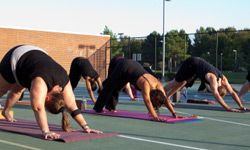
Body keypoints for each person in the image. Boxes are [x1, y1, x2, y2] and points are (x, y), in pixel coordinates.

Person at [0, 45, 102, 140]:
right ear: (47, 98)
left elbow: (72, 107)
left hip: (34, 60)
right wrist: (46, 131)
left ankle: (6, 111)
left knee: (18, 89)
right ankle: (6, 110)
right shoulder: (40, 83)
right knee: (2, 89)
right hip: (17, 56)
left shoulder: (64, 83)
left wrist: (86, 127)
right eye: (46, 105)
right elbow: (38, 108)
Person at [93, 58, 177, 121]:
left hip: (132, 70)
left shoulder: (159, 86)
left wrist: (173, 113)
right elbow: (147, 100)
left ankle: (110, 107)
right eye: (156, 103)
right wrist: (155, 116)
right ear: (153, 97)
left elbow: (165, 99)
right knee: (110, 86)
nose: (157, 106)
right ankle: (97, 108)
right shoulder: (146, 84)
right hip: (124, 66)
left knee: (117, 88)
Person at [165, 56, 248, 112]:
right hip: (191, 63)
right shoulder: (213, 80)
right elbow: (216, 94)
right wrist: (228, 108)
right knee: (175, 82)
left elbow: (233, 92)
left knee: (183, 82)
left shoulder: (224, 80)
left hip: (196, 67)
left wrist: (241, 106)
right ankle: (158, 92)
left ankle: (167, 97)